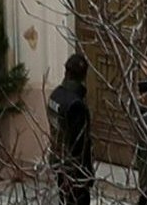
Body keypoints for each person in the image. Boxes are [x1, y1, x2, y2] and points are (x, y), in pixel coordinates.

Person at [48, 53, 94, 205]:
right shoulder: (76, 105)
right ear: (84, 76)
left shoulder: (55, 95)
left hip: (59, 162)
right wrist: (87, 174)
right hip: (74, 172)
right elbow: (80, 145)